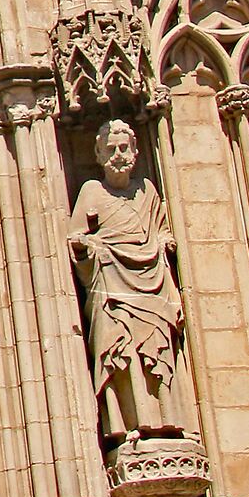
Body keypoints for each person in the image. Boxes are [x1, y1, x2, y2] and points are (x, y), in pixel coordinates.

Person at [69, 119, 186, 443]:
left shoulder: (147, 190)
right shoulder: (92, 191)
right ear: (98, 153)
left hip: (152, 285)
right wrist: (90, 248)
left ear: (135, 151)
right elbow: (75, 236)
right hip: (113, 286)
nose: (118, 155)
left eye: (124, 148)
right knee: (122, 351)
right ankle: (130, 427)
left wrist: (163, 243)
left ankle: (168, 423)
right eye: (111, 149)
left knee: (158, 351)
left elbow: (161, 229)